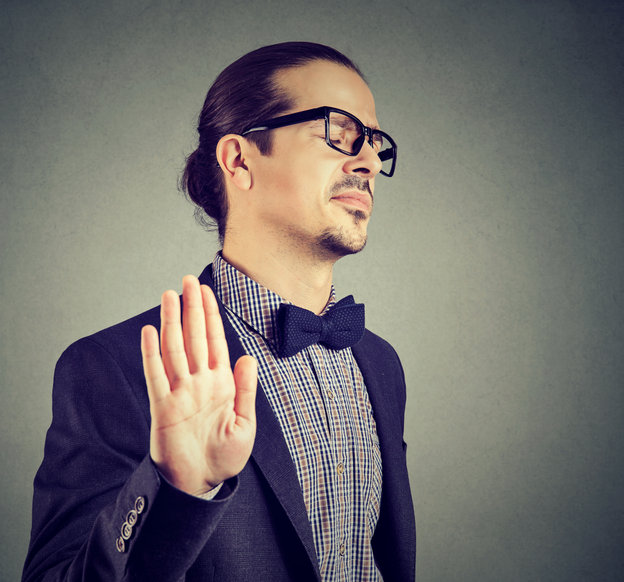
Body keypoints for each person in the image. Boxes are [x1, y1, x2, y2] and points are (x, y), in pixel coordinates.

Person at [22, 41, 415, 582]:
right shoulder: (110, 368)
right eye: (340, 133)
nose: (369, 161)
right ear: (239, 160)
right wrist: (176, 488)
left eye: (374, 143)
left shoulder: (380, 363)